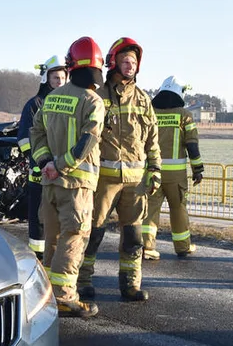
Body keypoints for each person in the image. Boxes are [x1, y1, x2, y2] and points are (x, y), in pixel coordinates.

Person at [77, 37, 160, 302]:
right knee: (93, 232)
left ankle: (130, 284)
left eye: (134, 61)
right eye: (125, 60)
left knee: (134, 236)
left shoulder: (144, 100)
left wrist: (155, 169)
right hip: (103, 180)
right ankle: (83, 280)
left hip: (135, 183)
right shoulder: (98, 96)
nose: (130, 65)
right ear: (114, 62)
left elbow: (152, 140)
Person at [29, 37, 106, 318]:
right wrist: (61, 165)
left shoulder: (52, 97)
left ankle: (47, 293)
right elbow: (89, 141)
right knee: (74, 238)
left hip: (50, 182)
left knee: (53, 237)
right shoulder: (93, 100)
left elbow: (35, 134)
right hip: (76, 185)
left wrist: (46, 162)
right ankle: (64, 297)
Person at [143, 76, 203, 259]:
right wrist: (198, 169)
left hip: (152, 172)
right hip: (176, 176)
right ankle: (183, 247)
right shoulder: (185, 115)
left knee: (150, 210)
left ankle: (147, 247)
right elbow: (192, 145)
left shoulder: (150, 113)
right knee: (178, 209)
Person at [17, 56, 68, 259]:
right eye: (55, 78)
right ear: (47, 79)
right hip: (39, 170)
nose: (59, 82)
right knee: (38, 215)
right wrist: (39, 161)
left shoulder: (68, 102)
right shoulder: (35, 104)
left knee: (62, 215)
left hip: (63, 168)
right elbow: (24, 138)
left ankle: (55, 254)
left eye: (62, 78)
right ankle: (37, 257)